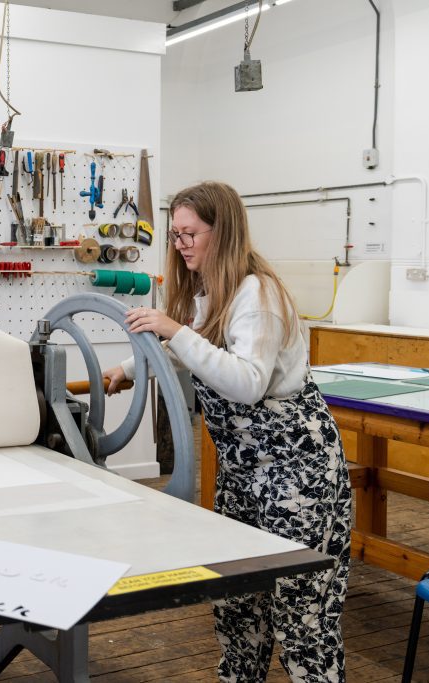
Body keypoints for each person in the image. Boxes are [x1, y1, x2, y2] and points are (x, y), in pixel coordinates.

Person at [104, 181, 352, 683]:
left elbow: (245, 383)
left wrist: (173, 330)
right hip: (243, 475)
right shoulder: (208, 292)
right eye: (175, 235)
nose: (181, 244)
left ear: (224, 231)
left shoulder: (256, 294)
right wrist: (130, 368)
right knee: (237, 610)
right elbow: (191, 346)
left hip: (296, 476)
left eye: (190, 233)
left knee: (301, 616)